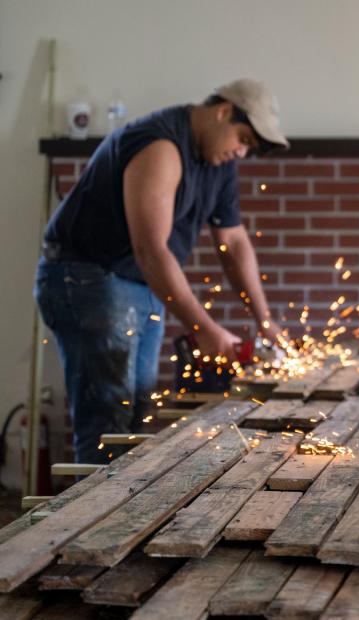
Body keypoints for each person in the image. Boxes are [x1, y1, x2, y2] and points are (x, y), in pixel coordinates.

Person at [34, 78, 288, 465]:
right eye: (242, 138)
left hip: (135, 280)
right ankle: (94, 524)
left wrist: (265, 321)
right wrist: (205, 328)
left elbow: (234, 244)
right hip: (87, 276)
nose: (240, 151)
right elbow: (151, 251)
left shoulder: (220, 165)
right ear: (223, 111)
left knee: (137, 411)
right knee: (109, 424)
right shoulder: (160, 146)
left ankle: (118, 517)